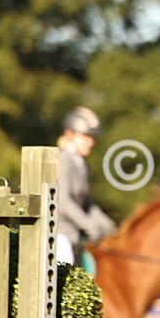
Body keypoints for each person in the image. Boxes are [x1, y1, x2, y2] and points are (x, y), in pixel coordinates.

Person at [56, 107, 116, 266]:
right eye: (85, 137)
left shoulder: (82, 164)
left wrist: (109, 227)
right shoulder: (64, 159)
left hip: (75, 234)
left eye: (93, 137)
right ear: (70, 134)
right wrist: (91, 226)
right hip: (59, 232)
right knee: (65, 261)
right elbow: (64, 203)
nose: (91, 142)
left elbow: (88, 204)